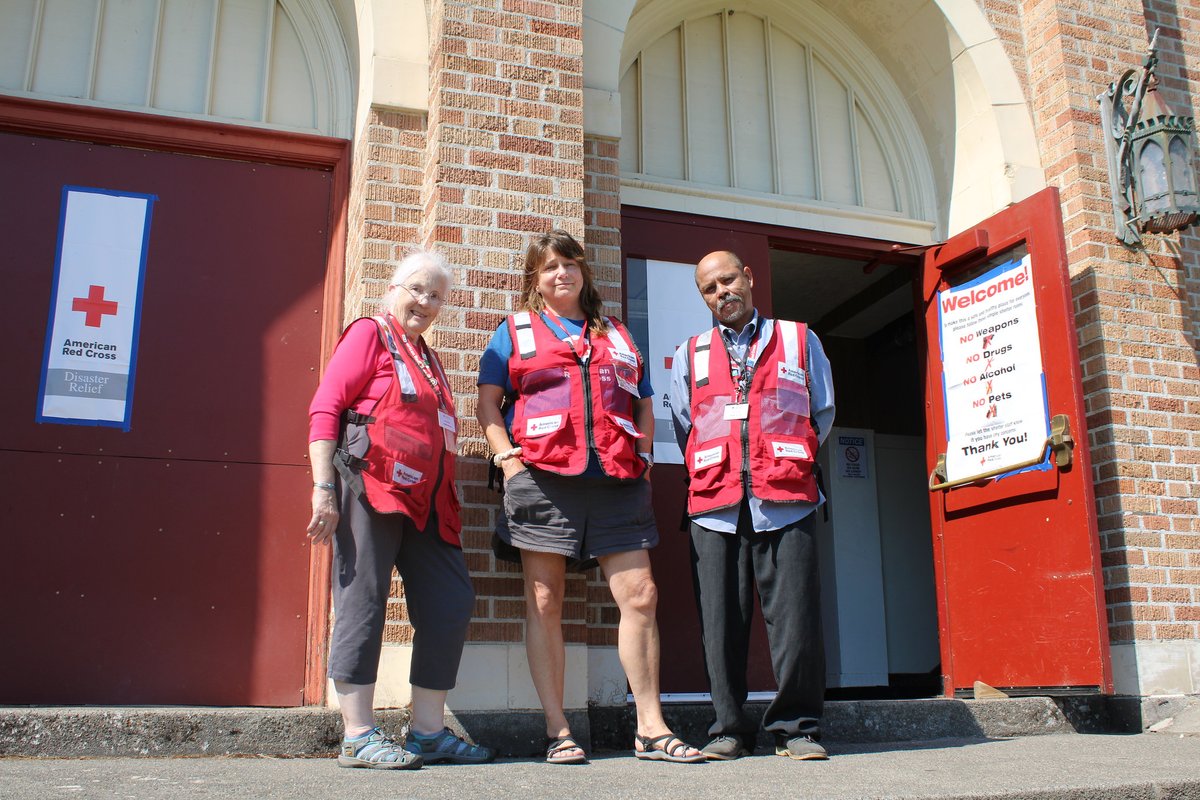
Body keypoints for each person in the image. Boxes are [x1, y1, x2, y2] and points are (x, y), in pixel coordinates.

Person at [476, 230, 703, 765]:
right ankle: (558, 730)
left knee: (641, 595)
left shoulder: (618, 332)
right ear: (536, 279)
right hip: (543, 477)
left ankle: (651, 728)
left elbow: (643, 401)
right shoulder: (514, 331)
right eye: (550, 267)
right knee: (545, 599)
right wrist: (508, 461)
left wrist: (644, 456)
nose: (562, 273)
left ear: (583, 272)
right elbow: (487, 404)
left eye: (570, 264)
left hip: (617, 481)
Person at [307, 249, 495, 769]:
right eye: (417, 289)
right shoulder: (370, 334)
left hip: (428, 502)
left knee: (450, 602)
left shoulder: (428, 358)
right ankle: (358, 735)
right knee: (363, 600)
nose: (426, 302)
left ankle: (428, 733)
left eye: (436, 296)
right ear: (393, 290)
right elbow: (326, 407)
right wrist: (323, 487)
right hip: (369, 485)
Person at [670, 250, 835, 761]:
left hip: (786, 498)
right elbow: (685, 424)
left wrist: (777, 458)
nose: (722, 292)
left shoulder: (799, 339)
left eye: (728, 280)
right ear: (703, 298)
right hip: (715, 505)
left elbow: (822, 412)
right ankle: (729, 730)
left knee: (796, 622)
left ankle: (797, 729)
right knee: (720, 625)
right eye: (709, 288)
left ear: (749, 277)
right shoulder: (690, 353)